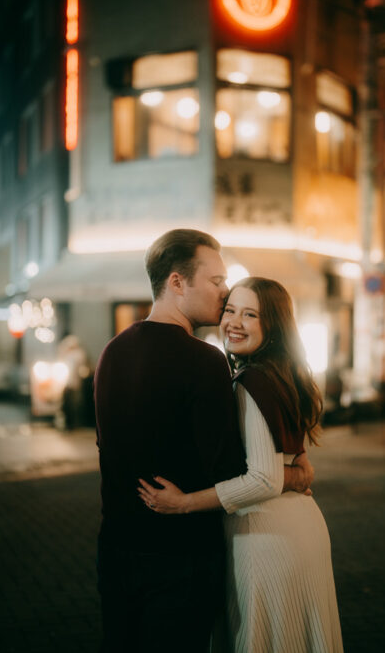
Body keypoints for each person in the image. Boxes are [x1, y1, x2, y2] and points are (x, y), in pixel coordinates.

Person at [94, 231, 312, 653]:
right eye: (216, 281)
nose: (225, 291)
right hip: (180, 558)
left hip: (116, 548)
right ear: (177, 283)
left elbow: (108, 446)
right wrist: (294, 473)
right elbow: (231, 472)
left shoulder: (112, 351)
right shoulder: (202, 361)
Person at [139, 277, 343, 653]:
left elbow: (263, 479)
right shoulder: (284, 374)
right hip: (302, 528)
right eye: (230, 310)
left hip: (265, 533)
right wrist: (297, 475)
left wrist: (184, 502)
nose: (234, 322)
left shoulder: (252, 381)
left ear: (273, 326)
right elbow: (294, 462)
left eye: (250, 314)